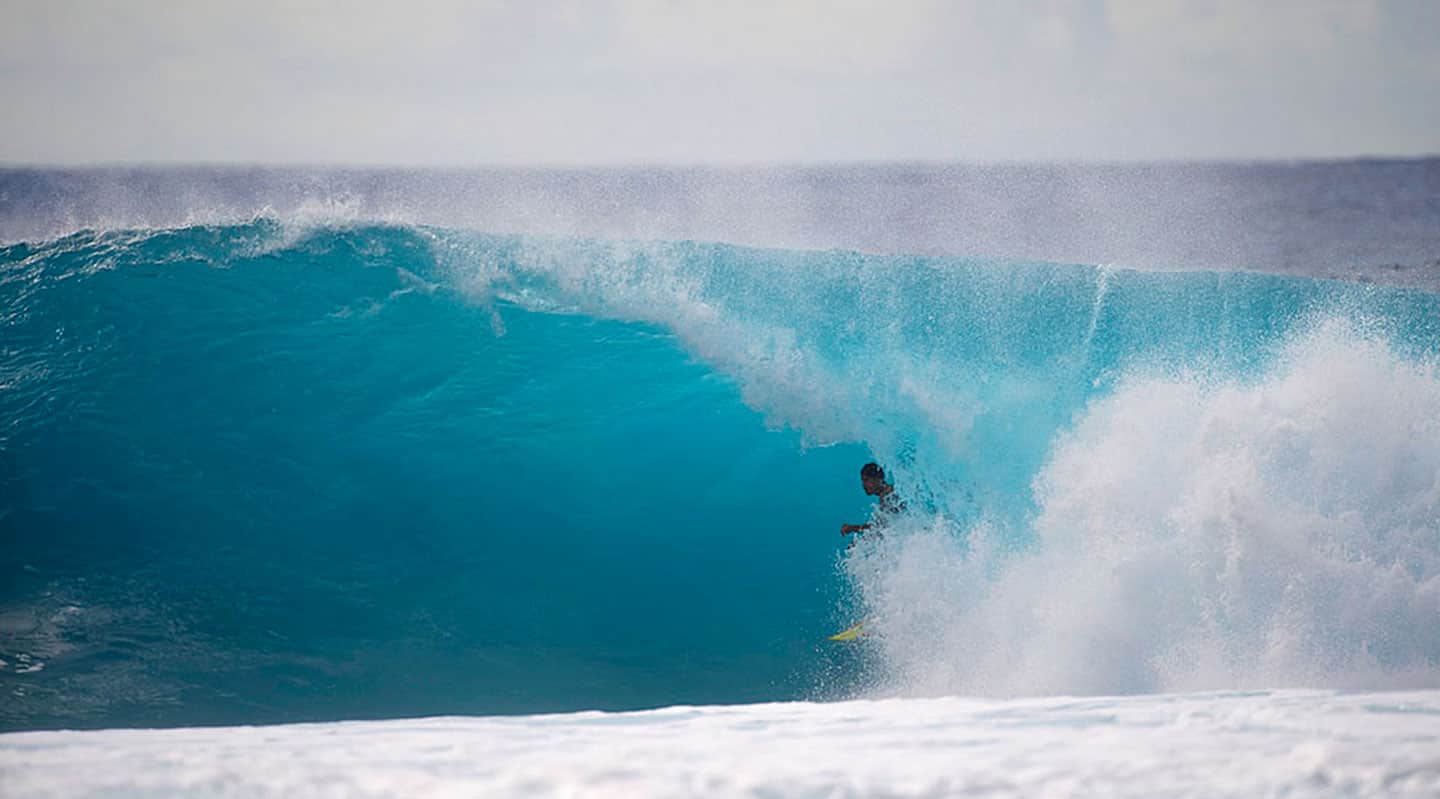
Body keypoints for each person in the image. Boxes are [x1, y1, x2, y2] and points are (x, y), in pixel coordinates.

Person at [841, 462, 903, 542]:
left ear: (878, 479)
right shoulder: (887, 492)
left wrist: (852, 528)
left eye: (866, 480)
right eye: (862, 481)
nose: (863, 485)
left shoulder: (887, 495)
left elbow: (880, 528)